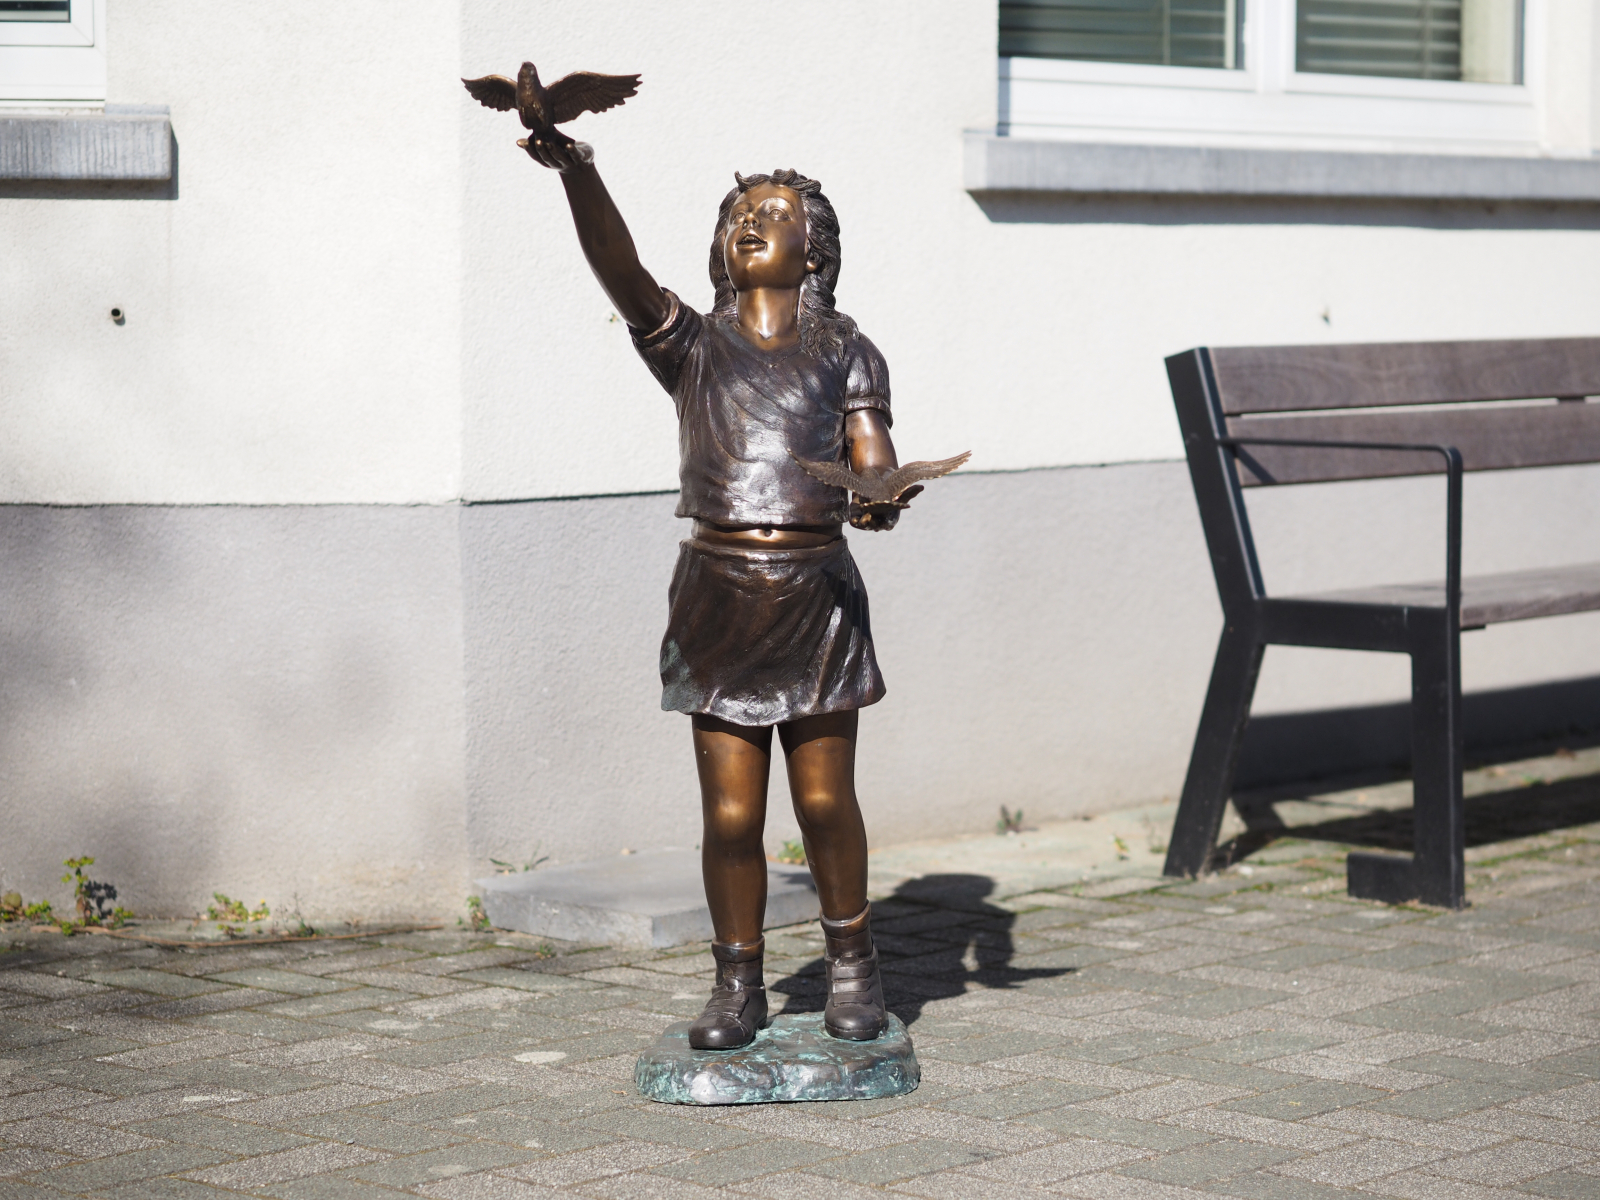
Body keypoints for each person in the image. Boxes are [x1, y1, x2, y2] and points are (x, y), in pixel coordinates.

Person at [524, 131, 910, 1050]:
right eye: (738, 211)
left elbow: (874, 457)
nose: (749, 221)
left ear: (813, 251)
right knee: (732, 815)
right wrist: (579, 170)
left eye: (772, 213)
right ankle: (738, 982)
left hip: (815, 596)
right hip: (718, 598)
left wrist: (879, 495)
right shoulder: (692, 346)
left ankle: (852, 964)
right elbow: (619, 269)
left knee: (825, 802)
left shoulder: (848, 351)